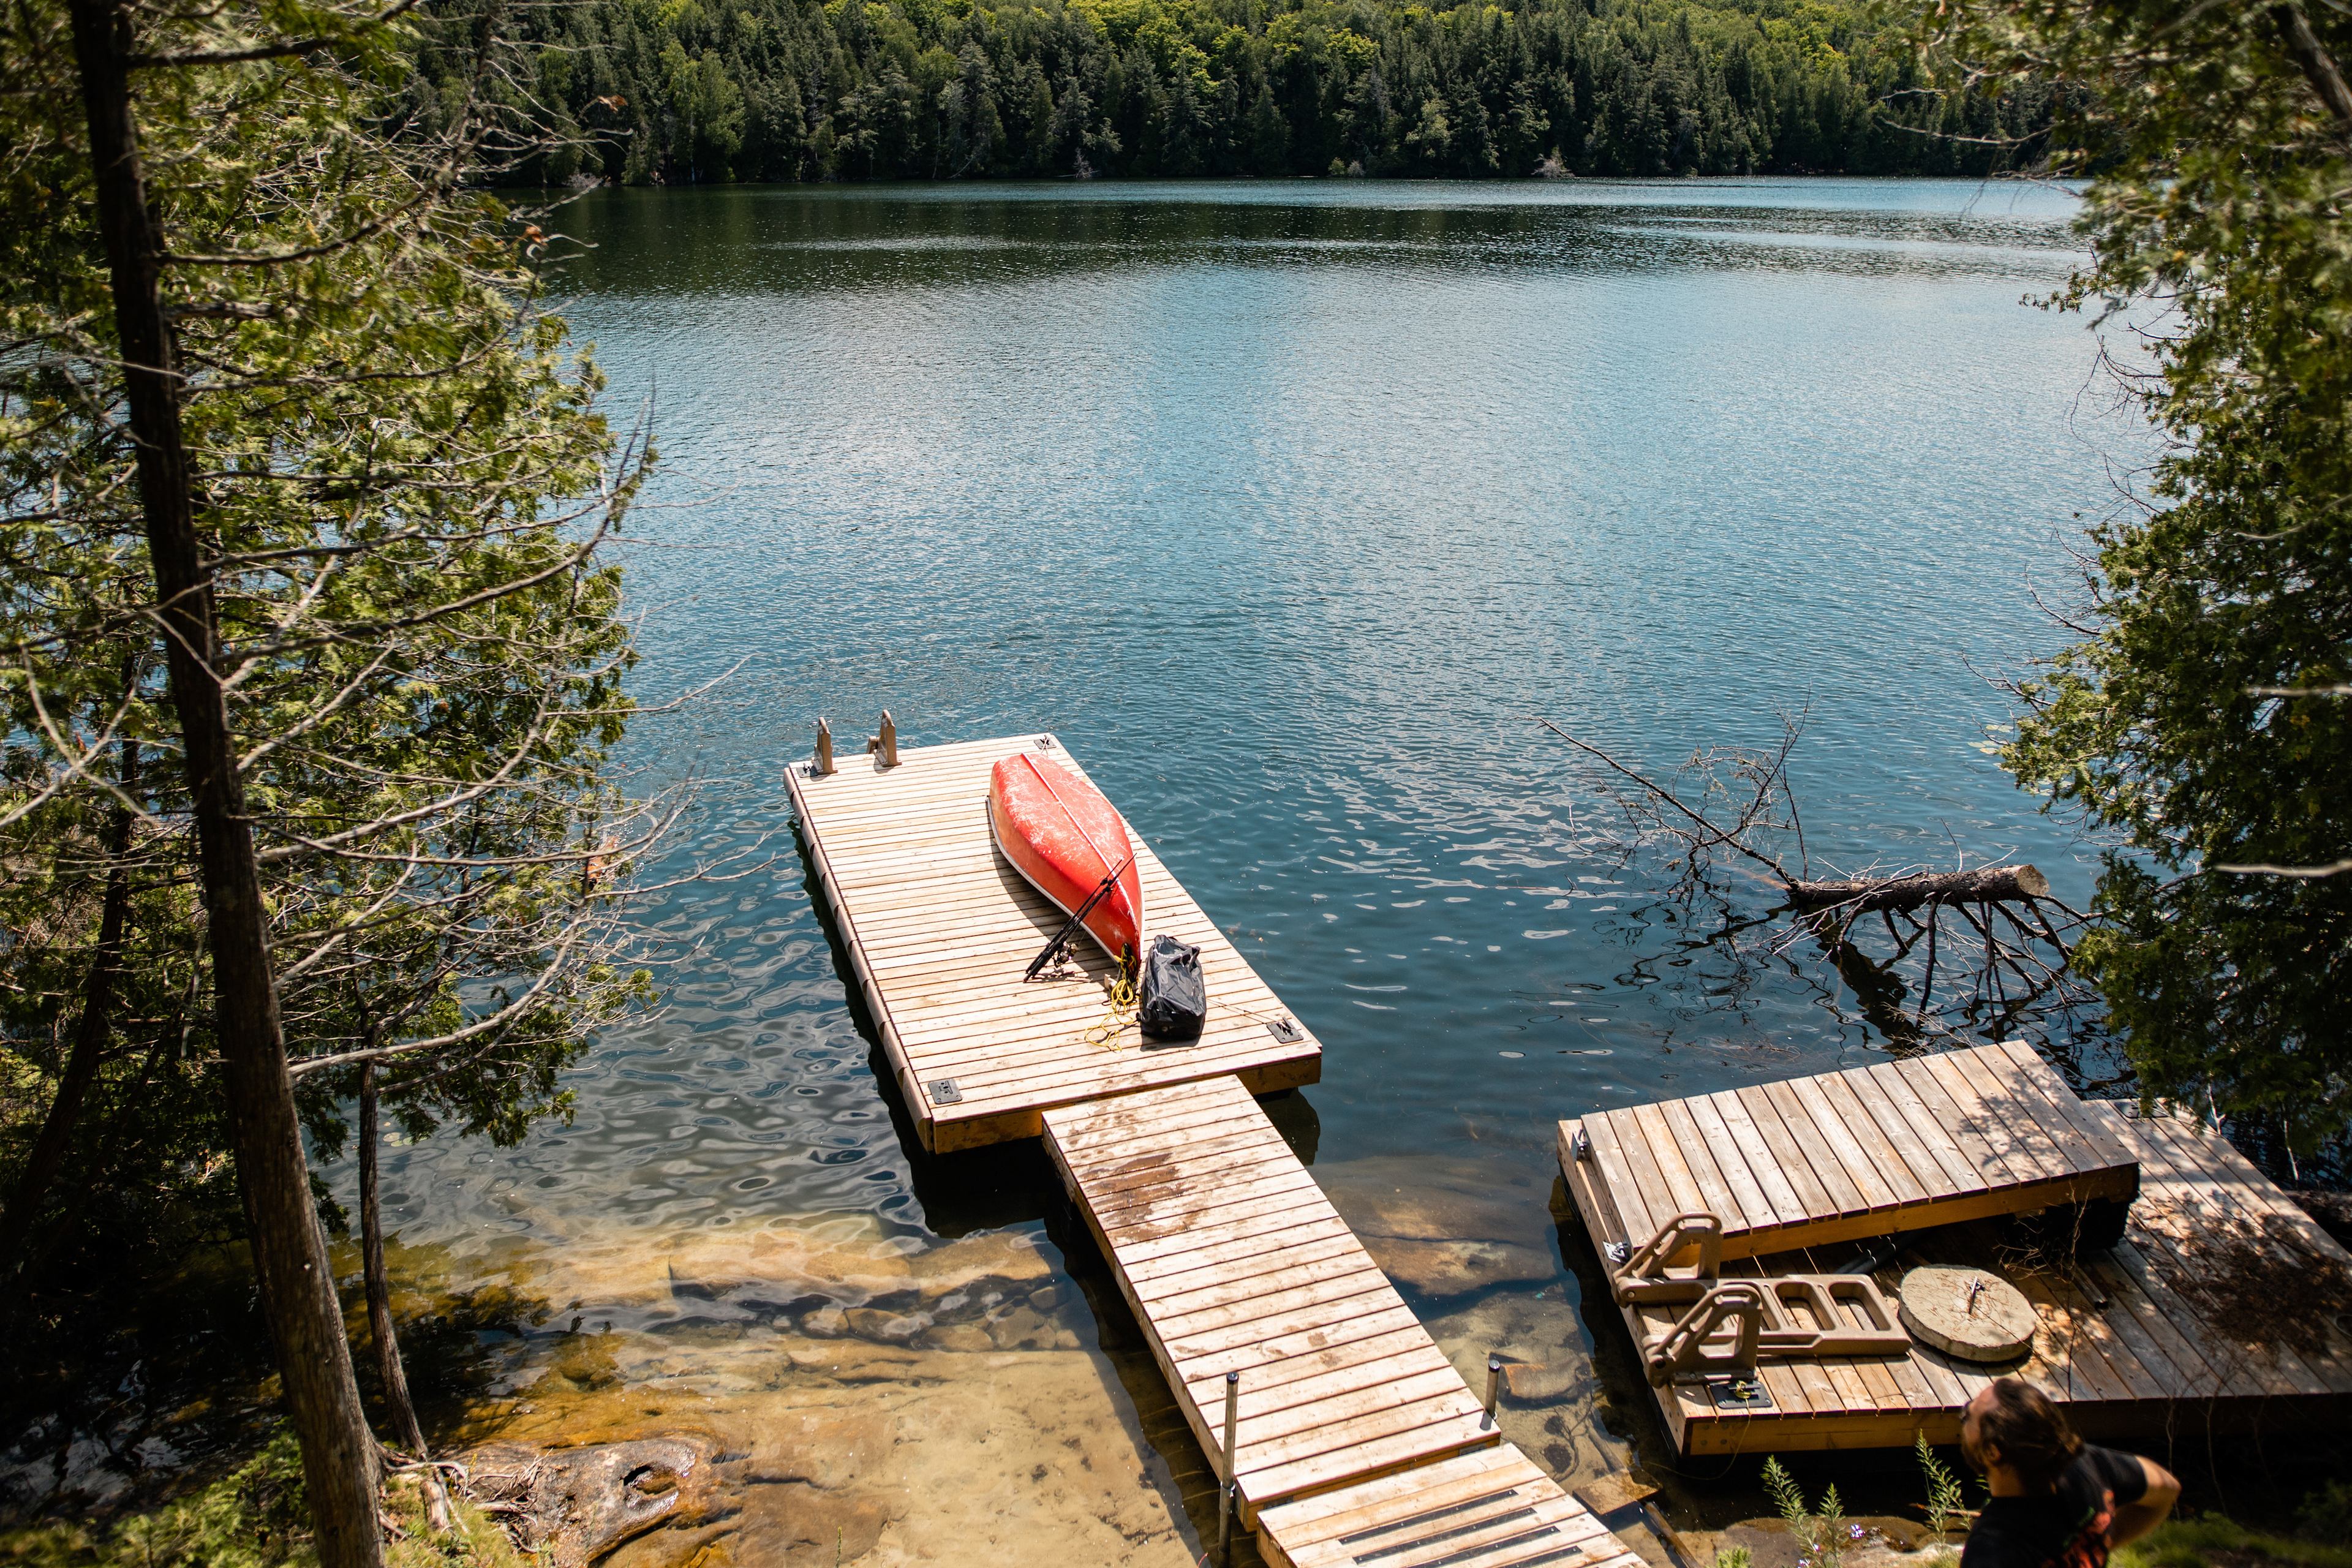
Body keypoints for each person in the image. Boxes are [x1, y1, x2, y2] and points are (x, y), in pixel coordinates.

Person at [1959, 1378, 2180, 1568]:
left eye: (1968, 1415)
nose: (1964, 1414)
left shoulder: (1991, 1549)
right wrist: (2100, 1545)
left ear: (1992, 1452)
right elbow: (2168, 1487)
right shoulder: (2089, 1466)